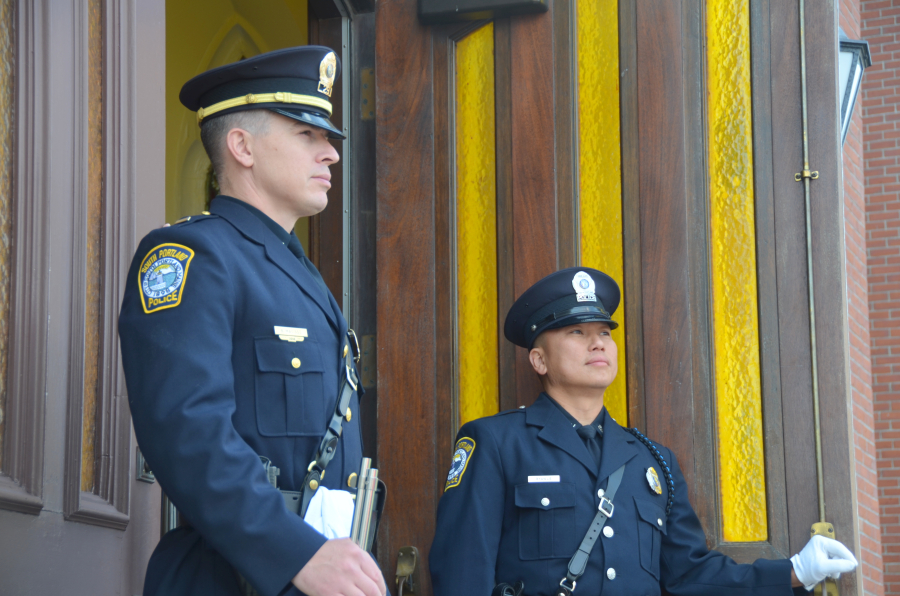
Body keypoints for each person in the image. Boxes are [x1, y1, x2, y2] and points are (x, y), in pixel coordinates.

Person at [119, 46, 386, 596]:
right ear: (241, 146)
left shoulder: (299, 277)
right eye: (306, 134)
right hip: (228, 577)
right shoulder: (192, 255)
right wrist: (294, 553)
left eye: (327, 137)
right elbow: (189, 432)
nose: (331, 153)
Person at [429, 267, 858, 596]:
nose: (597, 343)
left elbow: (689, 574)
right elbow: (462, 572)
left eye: (603, 333)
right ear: (539, 360)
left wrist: (794, 572)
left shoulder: (651, 461)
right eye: (577, 332)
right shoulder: (496, 443)